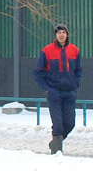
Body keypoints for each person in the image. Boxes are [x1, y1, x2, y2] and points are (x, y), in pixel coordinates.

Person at [33, 23, 82, 154]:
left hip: (70, 92)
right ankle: (57, 152)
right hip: (54, 91)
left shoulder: (74, 50)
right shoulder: (47, 51)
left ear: (67, 35)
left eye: (64, 33)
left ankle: (55, 142)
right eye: (59, 32)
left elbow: (79, 69)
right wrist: (47, 88)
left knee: (70, 123)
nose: (61, 35)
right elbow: (38, 72)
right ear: (55, 35)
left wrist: (76, 83)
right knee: (58, 123)